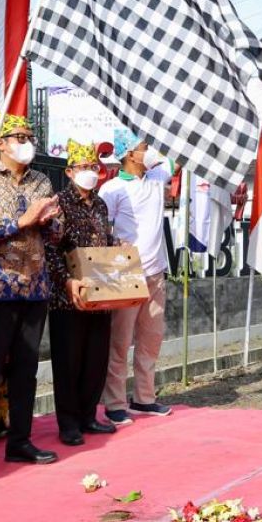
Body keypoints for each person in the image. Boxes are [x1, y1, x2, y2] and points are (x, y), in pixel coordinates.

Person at [0, 114, 62, 477]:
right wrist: (22, 221)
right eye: (17, 136)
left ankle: (20, 441)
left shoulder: (41, 179)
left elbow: (55, 233)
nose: (26, 141)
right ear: (1, 143)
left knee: (26, 370)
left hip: (35, 287)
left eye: (29, 135)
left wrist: (48, 221)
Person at [46, 140, 119, 446]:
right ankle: (69, 423)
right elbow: (50, 249)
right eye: (83, 167)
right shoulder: (58, 203)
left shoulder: (100, 204)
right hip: (68, 297)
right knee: (69, 360)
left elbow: (106, 241)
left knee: (95, 359)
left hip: (100, 293)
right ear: (69, 171)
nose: (90, 172)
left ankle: (89, 415)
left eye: (93, 167)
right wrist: (65, 281)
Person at [99, 130, 174, 425]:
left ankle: (144, 399)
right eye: (145, 147)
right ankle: (115, 402)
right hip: (126, 272)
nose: (150, 151)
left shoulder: (156, 179)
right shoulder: (113, 188)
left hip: (156, 271)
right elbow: (102, 226)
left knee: (151, 339)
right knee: (120, 341)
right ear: (130, 153)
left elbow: (177, 159)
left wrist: (157, 154)